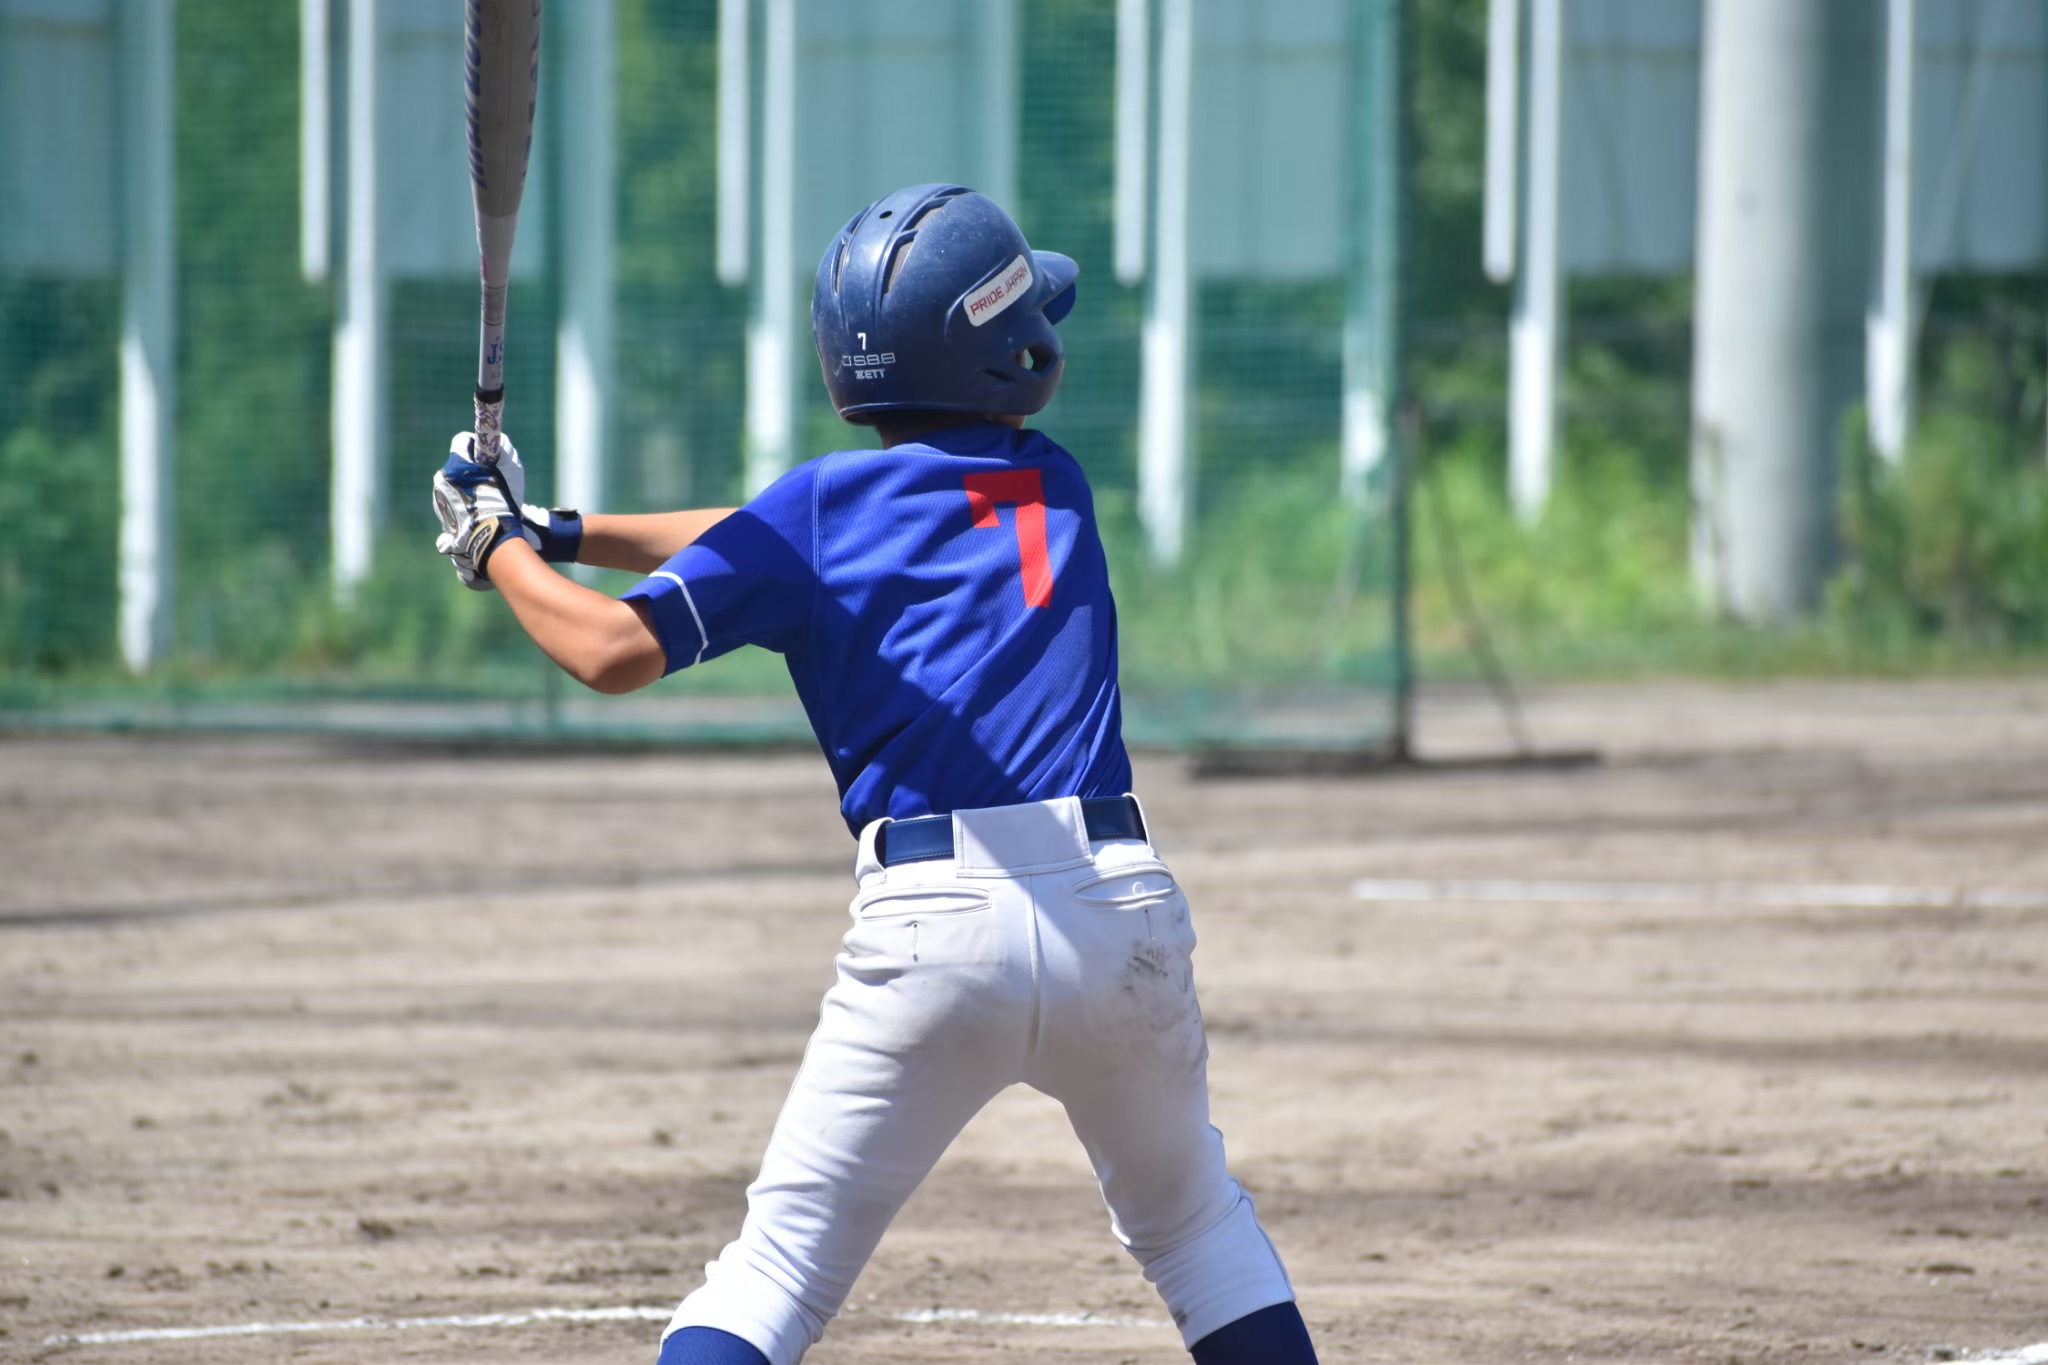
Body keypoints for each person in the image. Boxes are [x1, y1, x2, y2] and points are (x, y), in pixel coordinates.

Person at [429, 184, 1319, 1365]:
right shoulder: (1049, 483)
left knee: (776, 1275)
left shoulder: (819, 514)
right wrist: (558, 530)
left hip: (933, 934)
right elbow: (767, 531)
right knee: (1197, 1230)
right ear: (1011, 358)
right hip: (1116, 917)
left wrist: (497, 544)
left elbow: (608, 647)